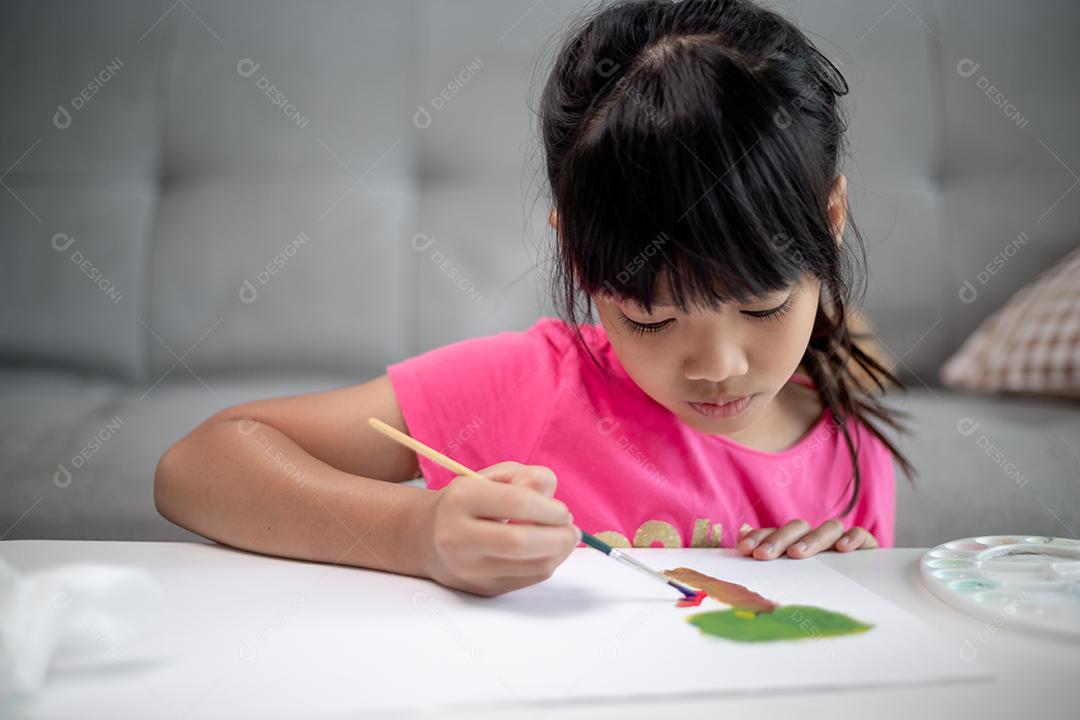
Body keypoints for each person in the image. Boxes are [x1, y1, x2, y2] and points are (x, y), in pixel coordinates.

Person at [155, 0, 914, 598]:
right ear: (580, 259)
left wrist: (848, 575)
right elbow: (198, 466)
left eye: (762, 307)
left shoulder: (855, 448)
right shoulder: (531, 389)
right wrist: (416, 533)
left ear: (832, 220)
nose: (718, 365)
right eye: (651, 318)